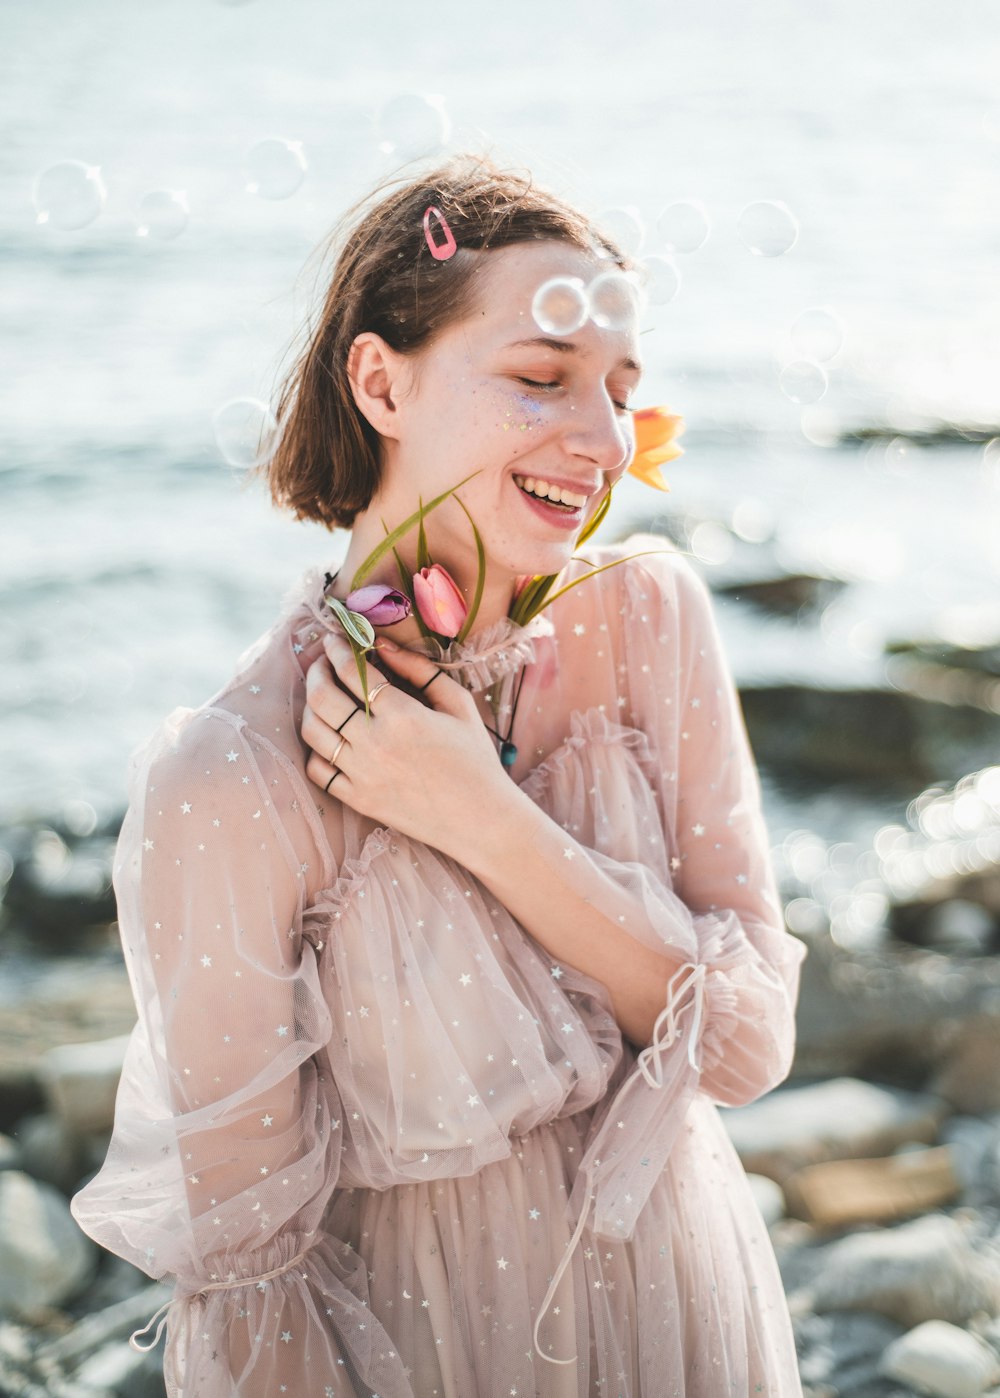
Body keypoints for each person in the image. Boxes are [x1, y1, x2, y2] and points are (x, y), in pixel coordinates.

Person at [72, 153, 808, 1396]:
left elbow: (744, 1053)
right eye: (539, 379)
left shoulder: (650, 620)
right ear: (380, 380)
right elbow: (257, 1298)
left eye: (621, 393)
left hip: (687, 1321)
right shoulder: (230, 778)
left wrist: (481, 816)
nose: (601, 444)